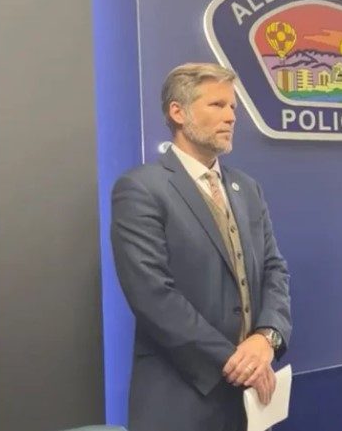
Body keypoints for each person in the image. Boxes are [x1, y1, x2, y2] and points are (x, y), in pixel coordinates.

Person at [111, 63, 291, 431]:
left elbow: (274, 269)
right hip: (180, 399)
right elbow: (152, 295)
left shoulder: (247, 188)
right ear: (178, 112)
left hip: (250, 400)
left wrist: (267, 337)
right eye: (217, 105)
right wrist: (236, 361)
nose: (231, 117)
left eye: (233, 107)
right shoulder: (142, 188)